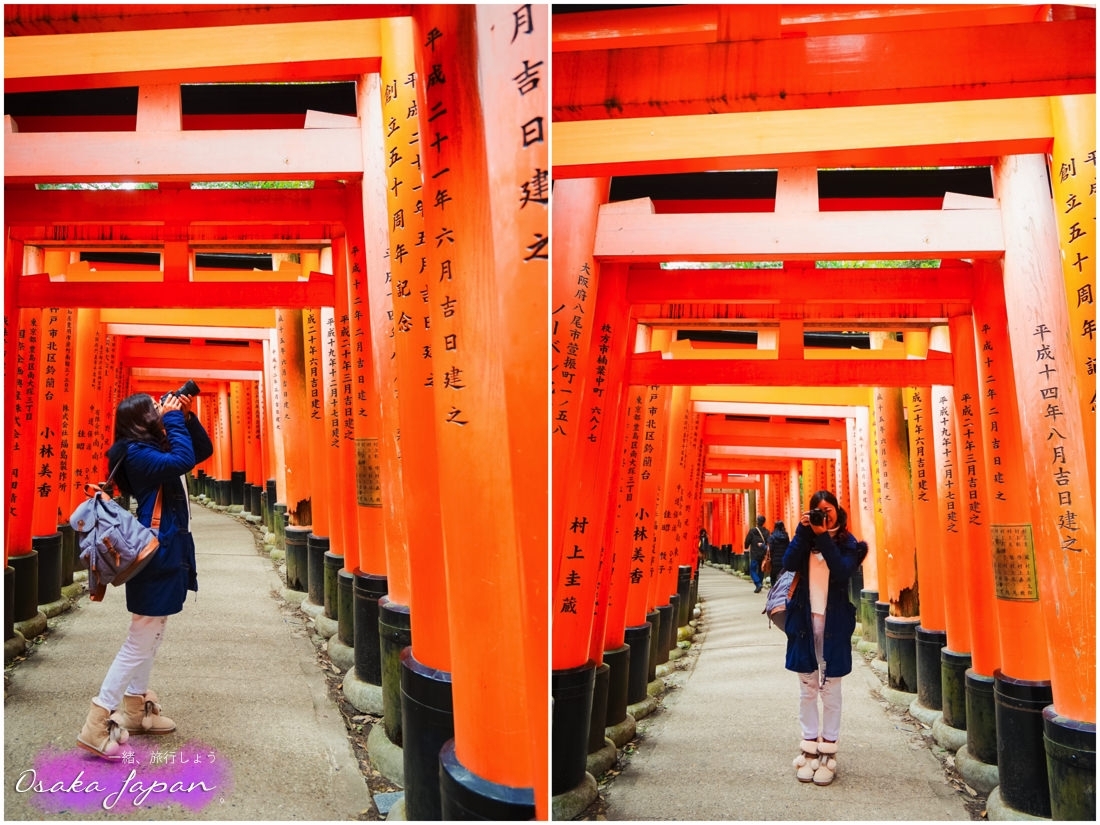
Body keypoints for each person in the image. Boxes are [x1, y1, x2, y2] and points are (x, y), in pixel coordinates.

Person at [77, 390, 213, 758]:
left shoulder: (154, 450)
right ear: (140, 419)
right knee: (141, 636)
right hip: (156, 551)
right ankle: (97, 721)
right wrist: (172, 419)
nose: (161, 407)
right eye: (155, 406)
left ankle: (135, 710)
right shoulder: (137, 454)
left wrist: (185, 418)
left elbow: (200, 451)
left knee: (153, 629)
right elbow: (183, 459)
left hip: (169, 548)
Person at [782, 490, 867, 786]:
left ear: (837, 511)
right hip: (803, 624)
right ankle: (808, 748)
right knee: (807, 690)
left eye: (827, 510)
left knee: (830, 692)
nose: (823, 516)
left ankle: (828, 751)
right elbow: (788, 563)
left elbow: (842, 571)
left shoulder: (848, 543)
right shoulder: (806, 538)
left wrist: (824, 537)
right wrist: (803, 532)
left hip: (835, 626)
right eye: (817, 511)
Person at [744, 514, 770, 592]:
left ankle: (758, 584)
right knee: (761, 569)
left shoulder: (752, 531)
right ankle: (759, 584)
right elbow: (769, 542)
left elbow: (747, 540)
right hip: (763, 553)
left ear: (757, 522)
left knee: (752, 570)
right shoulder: (767, 532)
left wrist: (746, 546)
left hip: (755, 554)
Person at [765, 520, 790, 586]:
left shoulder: (772, 537)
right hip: (784, 560)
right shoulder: (786, 536)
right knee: (783, 576)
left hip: (775, 561)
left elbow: (770, 549)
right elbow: (788, 547)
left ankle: (774, 589)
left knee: (773, 577)